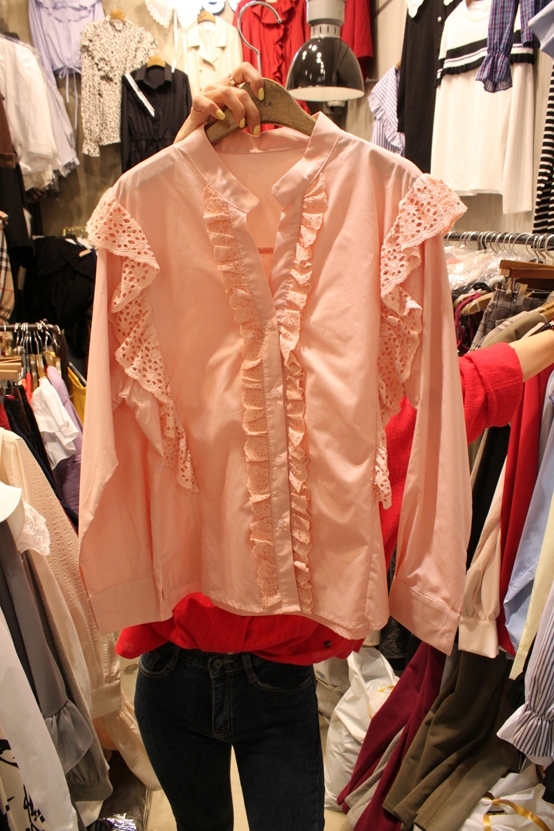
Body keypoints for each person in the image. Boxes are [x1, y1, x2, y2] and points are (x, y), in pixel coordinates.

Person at [115, 63, 554, 831]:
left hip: (278, 681)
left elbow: (450, 394)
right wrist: (181, 164)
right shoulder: (164, 282)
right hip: (170, 669)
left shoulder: (351, 326)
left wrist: (542, 343)